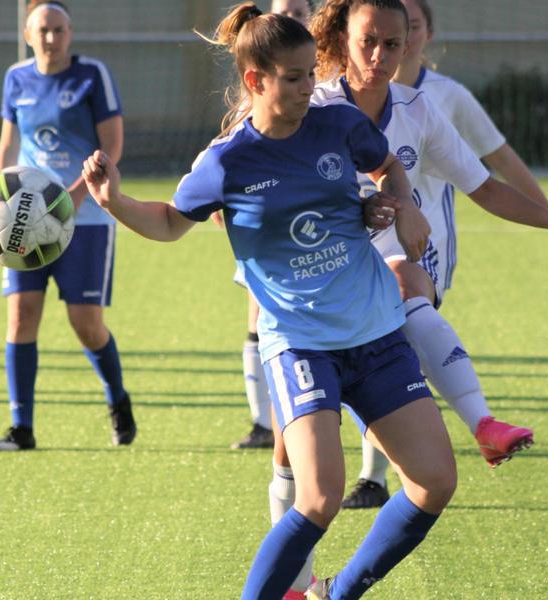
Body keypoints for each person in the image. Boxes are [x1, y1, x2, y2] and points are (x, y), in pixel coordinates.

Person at [83, 5, 458, 598]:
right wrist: (114, 202)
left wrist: (404, 205)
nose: (310, 87)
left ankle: (337, 593)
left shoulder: (337, 124)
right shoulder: (228, 161)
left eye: (312, 73)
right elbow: (169, 223)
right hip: (302, 344)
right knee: (318, 499)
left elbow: (387, 167)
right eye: (294, 77)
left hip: (375, 330)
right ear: (256, 80)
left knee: (434, 481)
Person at [338, 0, 548, 508]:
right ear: (342, 41)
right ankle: (296, 578)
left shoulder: (422, 107)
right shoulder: (316, 104)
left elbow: (484, 184)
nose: (379, 54)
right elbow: (251, 140)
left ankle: (482, 423)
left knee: (406, 289)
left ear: (417, 40)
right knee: (306, 469)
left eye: (393, 42)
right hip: (322, 268)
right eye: (367, 41)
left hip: (404, 251)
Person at [0, 0, 134, 451]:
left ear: (70, 33)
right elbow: (9, 147)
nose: (51, 38)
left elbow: (112, 144)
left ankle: (118, 399)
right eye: (42, 30)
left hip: (84, 220)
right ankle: (22, 427)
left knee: (85, 323)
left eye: (58, 29)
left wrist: (72, 196)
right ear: (29, 35)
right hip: (27, 223)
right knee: (21, 316)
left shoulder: (92, 75)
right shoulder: (16, 78)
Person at [228, 0, 317, 450]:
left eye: (301, 10)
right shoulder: (263, 94)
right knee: (260, 317)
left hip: (327, 248)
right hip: (272, 240)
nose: (294, 18)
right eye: (287, 10)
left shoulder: (319, 92)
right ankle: (265, 421)